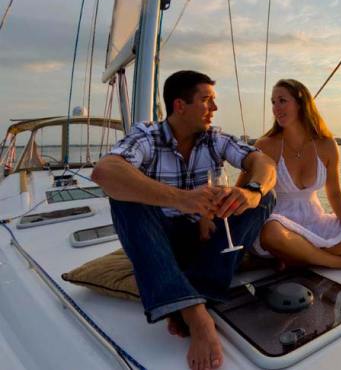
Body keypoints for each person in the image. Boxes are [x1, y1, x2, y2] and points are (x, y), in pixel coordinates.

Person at [92, 70, 276, 370]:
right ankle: (195, 314)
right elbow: (105, 171)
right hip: (159, 242)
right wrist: (182, 199)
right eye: (207, 100)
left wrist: (252, 191)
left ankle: (194, 291)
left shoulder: (214, 138)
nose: (214, 108)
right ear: (180, 105)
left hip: (205, 238)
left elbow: (262, 161)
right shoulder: (147, 137)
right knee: (123, 197)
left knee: (267, 196)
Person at [251, 78, 341, 269]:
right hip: (279, 224)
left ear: (301, 103)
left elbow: (335, 193)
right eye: (273, 102)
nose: (276, 108)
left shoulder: (327, 145)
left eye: (282, 101)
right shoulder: (266, 145)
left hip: (315, 220)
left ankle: (298, 257)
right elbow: (248, 190)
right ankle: (337, 262)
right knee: (271, 233)